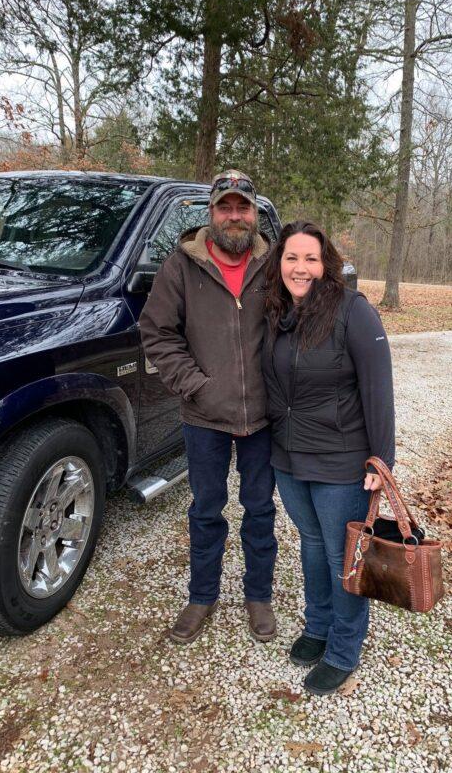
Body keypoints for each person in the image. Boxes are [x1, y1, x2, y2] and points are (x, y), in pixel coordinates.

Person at [139, 170, 277, 645]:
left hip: (263, 417)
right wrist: (193, 384)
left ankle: (259, 595)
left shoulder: (274, 263)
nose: (234, 216)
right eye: (225, 207)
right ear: (211, 212)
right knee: (206, 511)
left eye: (243, 207)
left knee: (259, 510)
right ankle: (202, 596)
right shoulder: (182, 265)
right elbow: (157, 332)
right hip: (204, 417)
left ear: (254, 214)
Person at [262, 220, 395, 695]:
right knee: (313, 544)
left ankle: (343, 648)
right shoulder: (278, 312)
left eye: (311, 259)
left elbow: (378, 387)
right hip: (290, 458)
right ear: (279, 263)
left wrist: (382, 460)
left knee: (344, 556)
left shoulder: (352, 310)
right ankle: (317, 628)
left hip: (341, 460)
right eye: (292, 258)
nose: (301, 268)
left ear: (327, 264)